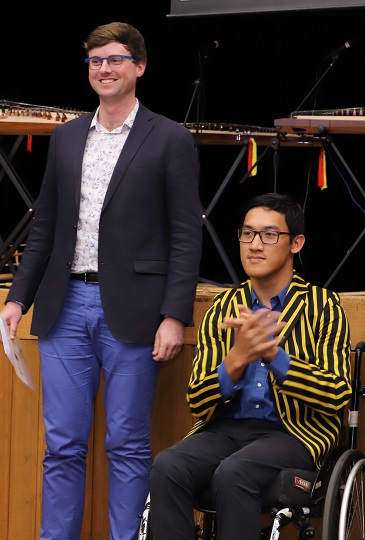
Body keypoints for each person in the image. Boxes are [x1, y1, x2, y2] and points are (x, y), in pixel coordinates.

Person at [0, 22, 202, 540]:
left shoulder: (170, 137)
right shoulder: (66, 136)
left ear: (139, 66)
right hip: (64, 304)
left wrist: (175, 315)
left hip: (135, 312)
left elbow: (185, 234)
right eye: (95, 61)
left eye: (114, 59)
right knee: (62, 445)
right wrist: (18, 297)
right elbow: (44, 223)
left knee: (127, 444)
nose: (104, 69)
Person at [149, 192, 351, 539]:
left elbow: (337, 394)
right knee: (167, 465)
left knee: (234, 472)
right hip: (225, 430)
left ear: (296, 243)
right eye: (247, 233)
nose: (255, 245)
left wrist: (275, 357)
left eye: (269, 235)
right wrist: (236, 358)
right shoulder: (223, 308)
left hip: (294, 433)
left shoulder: (323, 306)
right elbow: (197, 401)